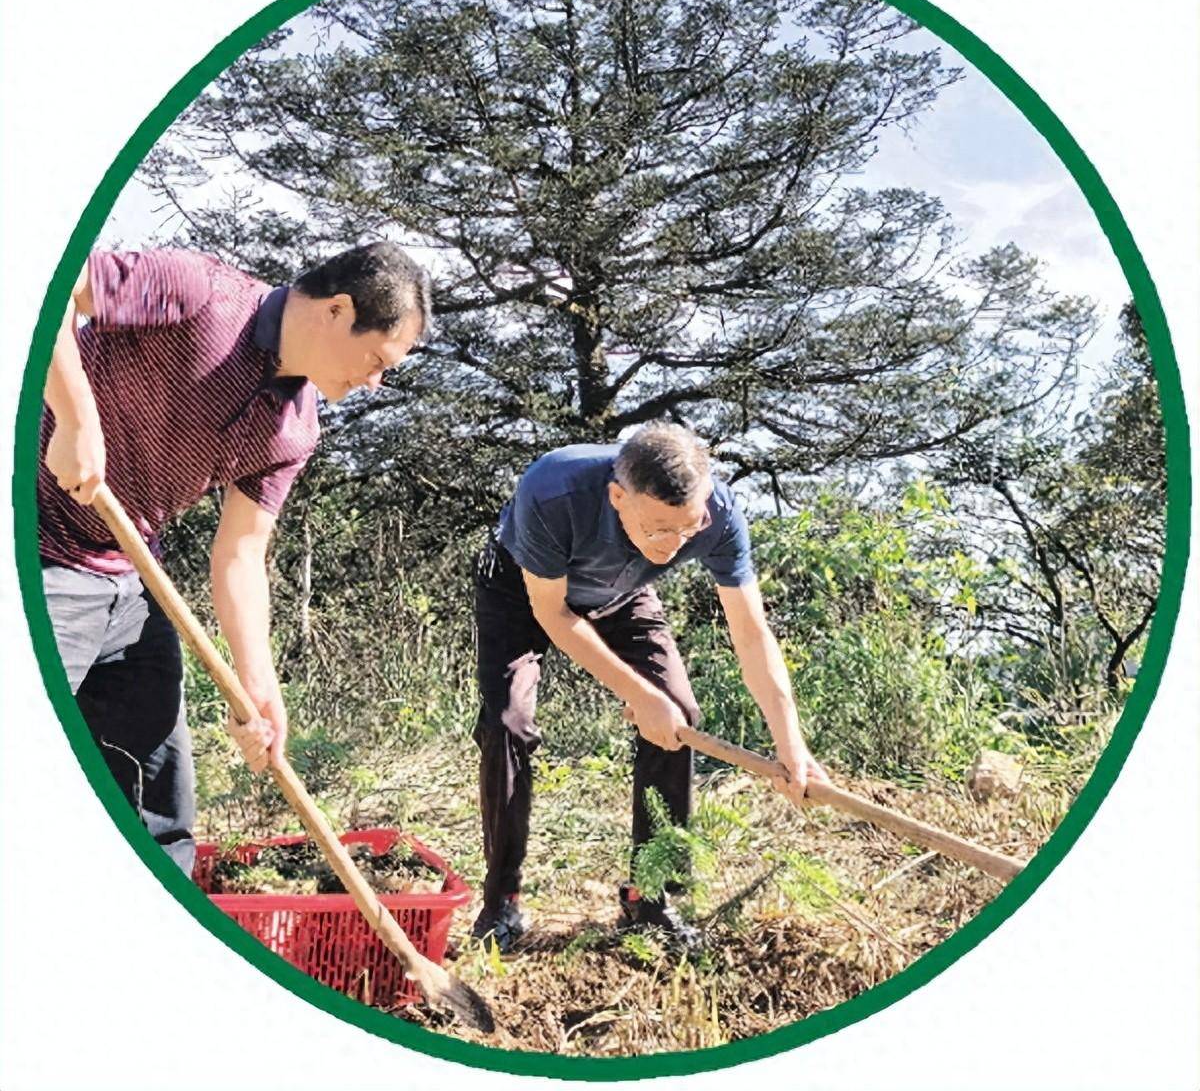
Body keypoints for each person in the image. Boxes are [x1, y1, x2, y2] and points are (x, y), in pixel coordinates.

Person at [39, 241, 432, 875]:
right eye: (375, 360)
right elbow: (46, 280)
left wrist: (259, 686)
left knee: (156, 806)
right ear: (336, 311)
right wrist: (75, 417)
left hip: (135, 579)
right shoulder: (198, 293)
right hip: (38, 551)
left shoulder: (294, 430)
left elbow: (242, 552)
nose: (373, 382)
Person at [471, 422, 829, 953]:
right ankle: (503, 900)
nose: (676, 545)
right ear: (618, 497)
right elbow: (552, 612)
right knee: (508, 725)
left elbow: (753, 637)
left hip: (624, 594)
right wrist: (638, 695)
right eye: (659, 529)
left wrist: (790, 745)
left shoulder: (719, 514)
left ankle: (650, 897)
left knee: (678, 715)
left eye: (689, 528)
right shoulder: (554, 490)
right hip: (521, 591)